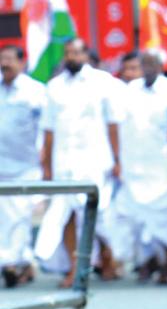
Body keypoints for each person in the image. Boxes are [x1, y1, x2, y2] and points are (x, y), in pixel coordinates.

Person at [35, 38, 124, 287]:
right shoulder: (54, 87)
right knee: (67, 214)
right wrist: (46, 165)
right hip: (64, 160)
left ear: (85, 55)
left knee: (98, 213)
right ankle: (76, 267)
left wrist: (117, 160)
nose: (72, 57)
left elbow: (113, 124)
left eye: (76, 53)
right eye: (68, 54)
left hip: (96, 159)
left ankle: (107, 257)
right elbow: (48, 129)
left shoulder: (102, 83)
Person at [112, 50, 167, 284]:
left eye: (153, 63)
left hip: (162, 164)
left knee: (164, 215)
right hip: (133, 162)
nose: (149, 68)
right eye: (146, 64)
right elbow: (117, 124)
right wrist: (118, 159)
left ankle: (166, 264)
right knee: (134, 215)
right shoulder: (130, 90)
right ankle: (145, 261)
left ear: (161, 66)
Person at [0, 45, 45, 287]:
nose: (5, 63)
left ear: (22, 62)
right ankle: (22, 261)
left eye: (9, 59)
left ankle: (11, 263)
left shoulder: (35, 91)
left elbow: (46, 128)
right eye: (2, 59)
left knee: (19, 216)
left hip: (25, 166)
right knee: (4, 218)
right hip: (1, 165)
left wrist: (45, 161)